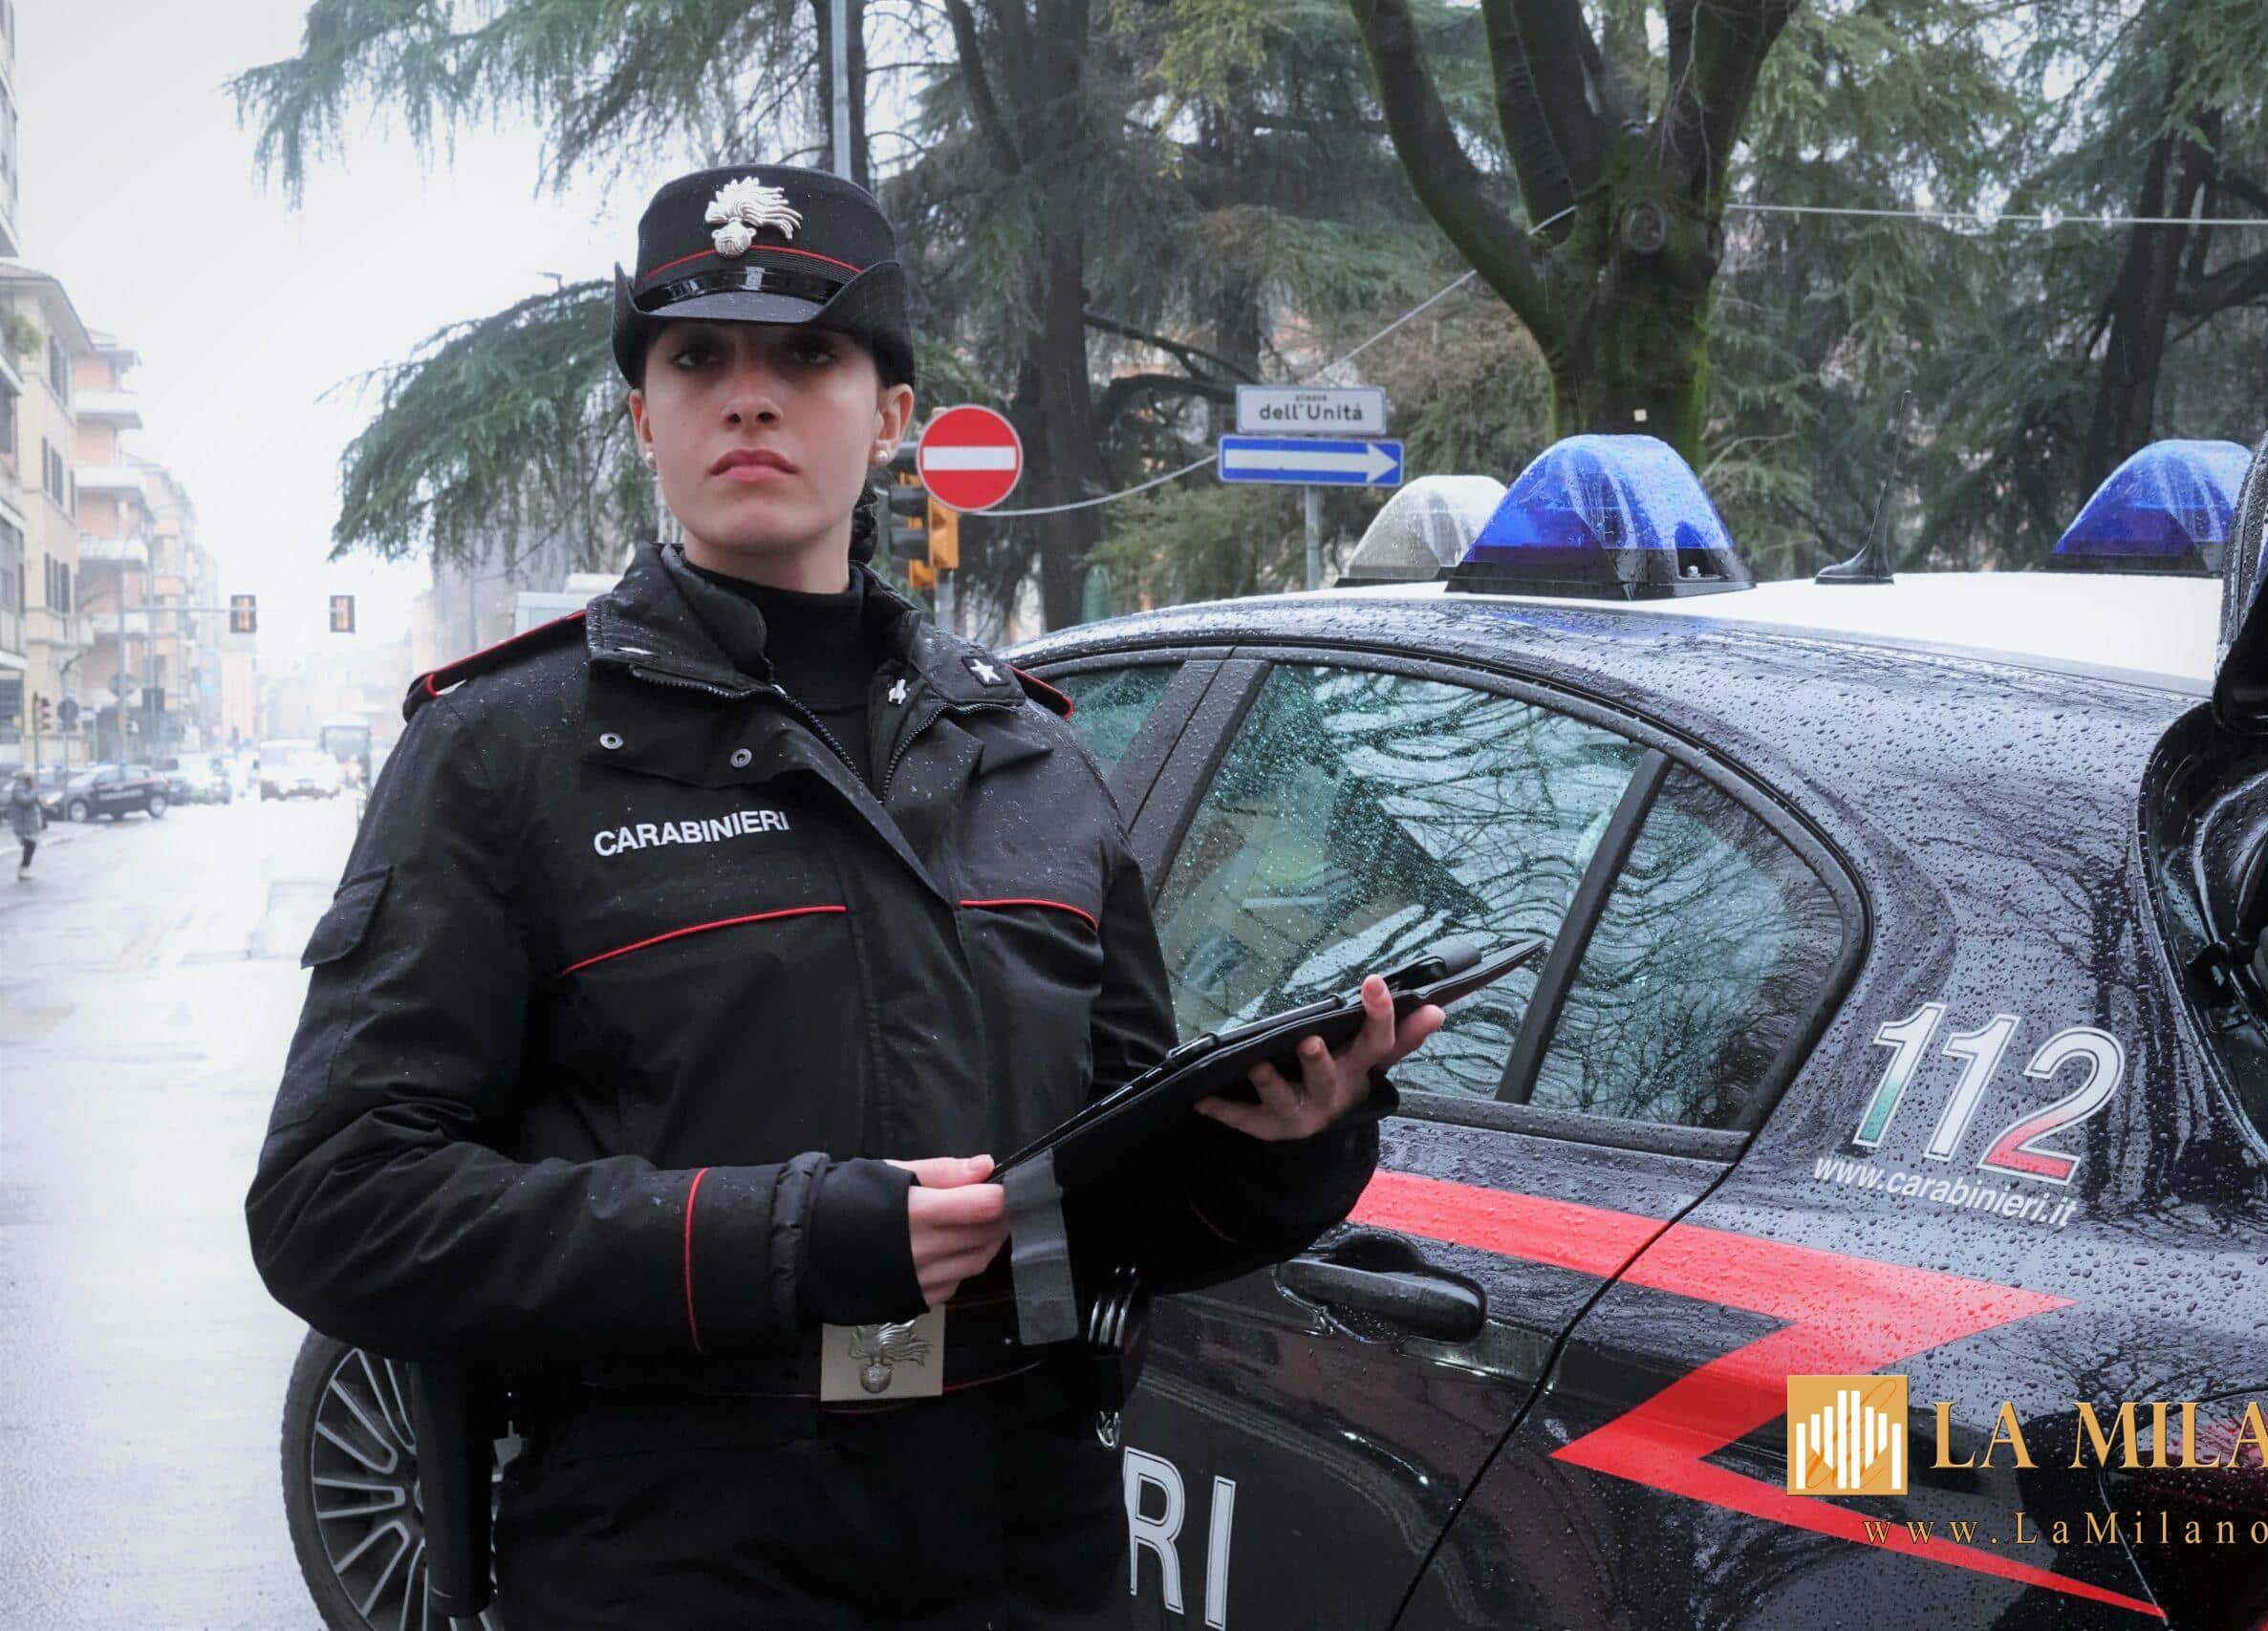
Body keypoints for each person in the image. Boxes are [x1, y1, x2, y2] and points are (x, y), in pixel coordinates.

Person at [248, 164, 1443, 1628]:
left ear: (889, 417)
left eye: (808, 354)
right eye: (697, 358)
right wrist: (786, 1239)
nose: (749, 397)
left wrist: (1291, 1144)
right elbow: (334, 1204)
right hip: (671, 1544)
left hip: (1025, 1536)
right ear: (645, 417)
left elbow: (1114, 1206)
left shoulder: (1034, 755)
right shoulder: (503, 755)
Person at [10, 767, 44, 879]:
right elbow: (25, 801)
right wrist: (35, 792)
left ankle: (24, 869)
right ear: (26, 778)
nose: (33, 779)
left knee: (30, 846)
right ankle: (23, 870)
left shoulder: (27, 788)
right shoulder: (18, 788)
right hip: (23, 824)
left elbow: (32, 800)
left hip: (29, 823)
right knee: (30, 845)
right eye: (31, 776)